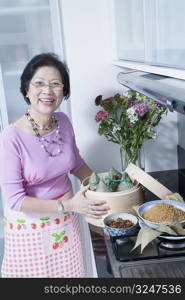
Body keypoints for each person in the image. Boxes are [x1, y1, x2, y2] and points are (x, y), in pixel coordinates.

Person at [0, 53, 110, 278]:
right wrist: (68, 205)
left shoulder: (64, 122)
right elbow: (15, 200)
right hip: (30, 228)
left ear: (64, 91)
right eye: (39, 83)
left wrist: (106, 189)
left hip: (66, 222)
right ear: (26, 90)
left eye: (56, 84)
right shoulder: (11, 138)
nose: (47, 91)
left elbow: (76, 164)